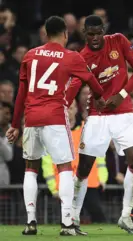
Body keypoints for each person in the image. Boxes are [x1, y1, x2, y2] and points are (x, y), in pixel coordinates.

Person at [5, 16, 105, 236]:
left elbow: (21, 92)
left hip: (31, 118)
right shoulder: (71, 57)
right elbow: (92, 83)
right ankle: (67, 223)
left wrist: (15, 124)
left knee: (31, 168)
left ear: (45, 34)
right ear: (65, 34)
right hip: (55, 118)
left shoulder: (30, 55)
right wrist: (99, 95)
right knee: (65, 168)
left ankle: (31, 222)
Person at [68, 14, 133, 235]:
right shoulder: (81, 56)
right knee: (84, 168)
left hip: (123, 114)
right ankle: (72, 218)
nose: (94, 38)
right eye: (90, 34)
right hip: (97, 116)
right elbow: (74, 85)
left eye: (98, 33)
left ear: (104, 30)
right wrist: (65, 104)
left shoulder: (119, 41)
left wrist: (121, 95)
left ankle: (126, 216)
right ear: (84, 33)